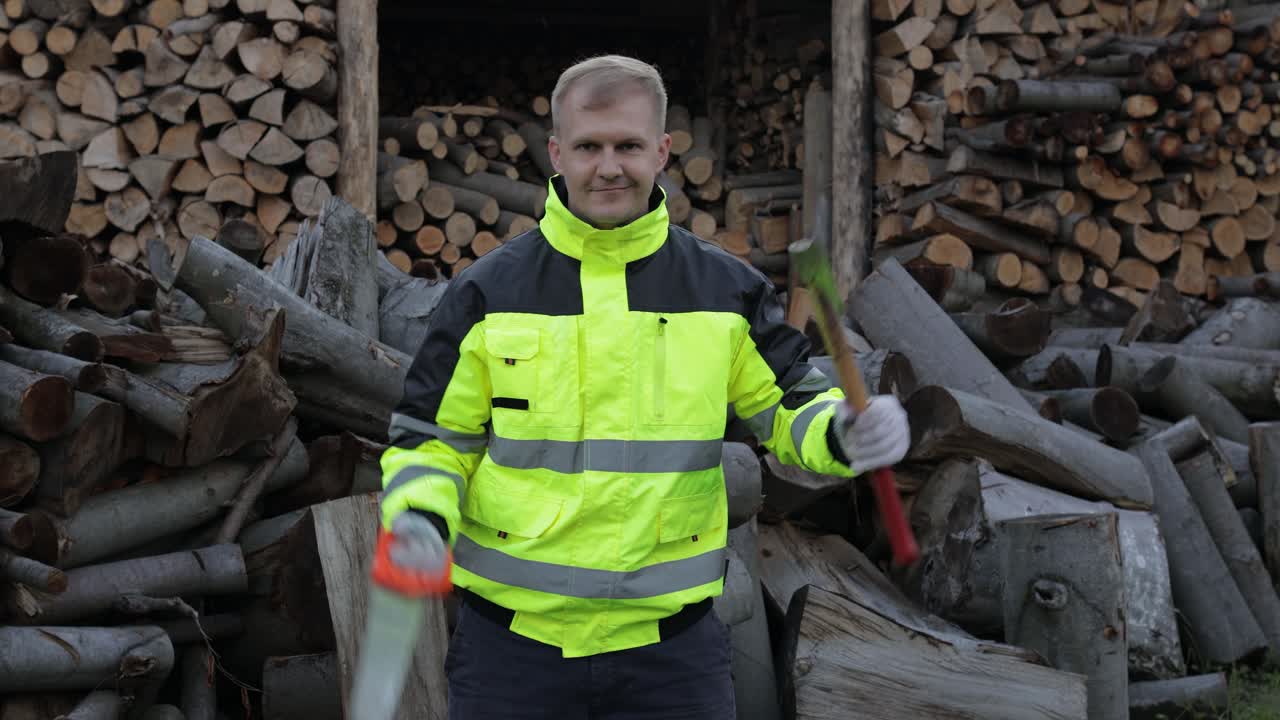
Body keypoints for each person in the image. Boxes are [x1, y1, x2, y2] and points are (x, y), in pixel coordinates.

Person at [378, 54, 910, 719]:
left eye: (628, 146)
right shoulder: (486, 293)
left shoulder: (726, 292)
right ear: (556, 154)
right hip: (511, 657)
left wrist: (844, 432)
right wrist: (420, 516)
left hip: (673, 663)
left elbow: (791, 408)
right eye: (589, 147)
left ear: (662, 151)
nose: (609, 167)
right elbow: (431, 439)